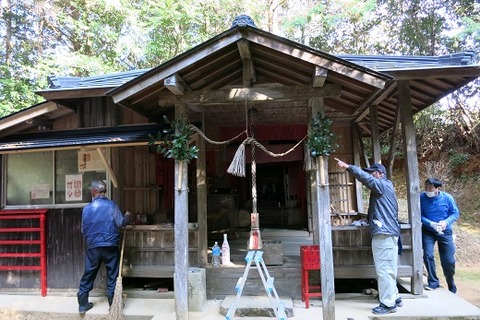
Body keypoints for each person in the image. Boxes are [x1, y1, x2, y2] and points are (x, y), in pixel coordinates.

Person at [336, 159, 402, 315]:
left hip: (384, 234)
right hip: (389, 233)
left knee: (384, 270)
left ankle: (387, 304)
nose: (370, 176)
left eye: (372, 173)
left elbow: (367, 180)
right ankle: (394, 297)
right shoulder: (385, 188)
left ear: (380, 174)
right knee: (390, 268)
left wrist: (349, 167)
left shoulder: (383, 185)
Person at [77, 180, 131, 314]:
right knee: (113, 274)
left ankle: (83, 304)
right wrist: (127, 217)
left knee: (89, 273)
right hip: (110, 246)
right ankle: (113, 304)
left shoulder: (87, 209)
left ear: (93, 192)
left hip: (93, 247)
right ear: (103, 191)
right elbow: (120, 223)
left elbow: (84, 231)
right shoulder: (111, 205)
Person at [420, 177, 460, 293]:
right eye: (426, 187)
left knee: (448, 261)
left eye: (430, 187)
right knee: (428, 255)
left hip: (445, 231)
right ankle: (433, 282)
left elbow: (455, 213)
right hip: (428, 231)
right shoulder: (421, 197)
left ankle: (450, 282)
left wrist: (446, 222)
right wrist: (430, 223)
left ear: (438, 188)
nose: (428, 189)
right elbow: (418, 214)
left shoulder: (447, 198)